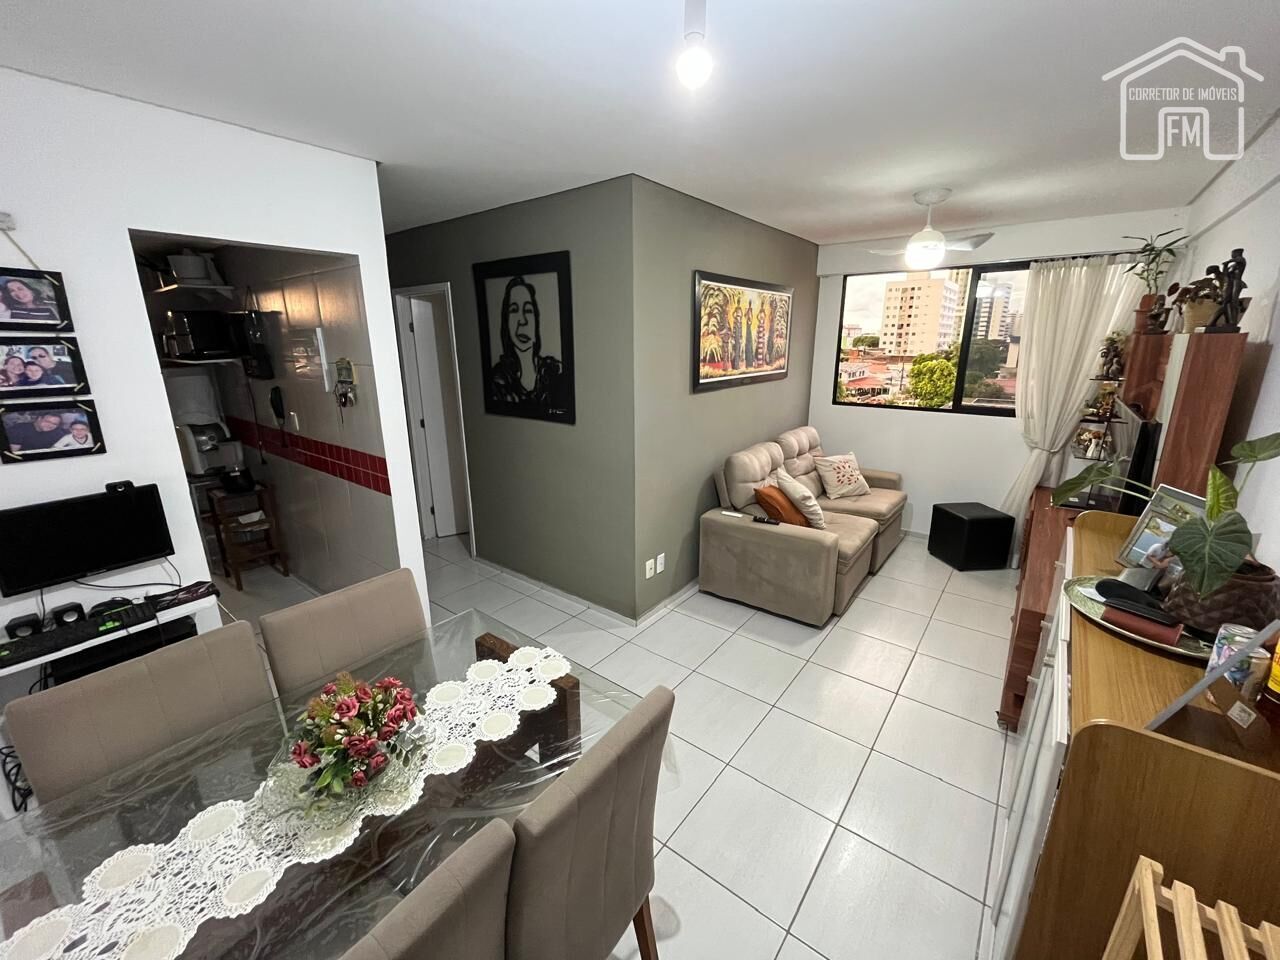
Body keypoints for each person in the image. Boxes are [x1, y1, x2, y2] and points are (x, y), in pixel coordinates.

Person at [487, 276, 569, 415]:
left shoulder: (554, 371)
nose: (522, 320)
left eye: (528, 310)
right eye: (514, 310)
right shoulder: (498, 381)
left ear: (536, 321)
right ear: (506, 322)